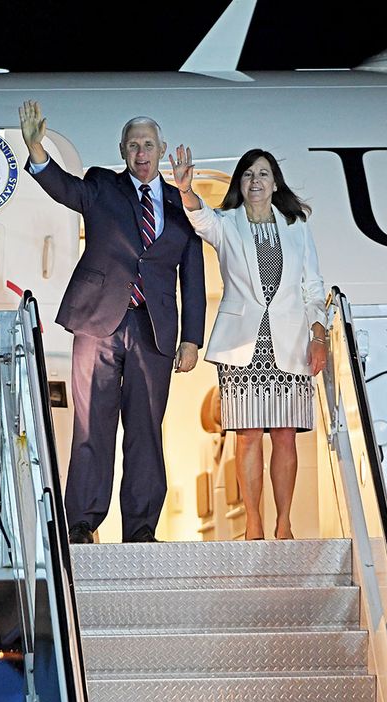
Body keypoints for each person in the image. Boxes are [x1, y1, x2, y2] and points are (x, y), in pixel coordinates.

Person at [19, 101, 206, 544]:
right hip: (98, 321)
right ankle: (82, 522)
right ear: (122, 150)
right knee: (91, 424)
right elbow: (63, 188)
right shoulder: (102, 186)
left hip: (154, 330)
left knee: (145, 429)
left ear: (161, 150)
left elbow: (193, 277)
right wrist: (36, 150)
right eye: (133, 145)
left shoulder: (185, 206)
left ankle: (141, 528)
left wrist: (192, 339)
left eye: (148, 145)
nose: (141, 152)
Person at [170, 145, 327, 540]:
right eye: (248, 175)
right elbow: (200, 219)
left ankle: (284, 522)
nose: (255, 181)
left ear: (275, 184)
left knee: (286, 433)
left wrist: (319, 334)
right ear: (240, 184)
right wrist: (187, 190)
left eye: (263, 174)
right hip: (243, 344)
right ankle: (254, 522)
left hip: (290, 341)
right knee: (249, 434)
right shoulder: (227, 223)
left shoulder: (296, 227)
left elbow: (313, 287)